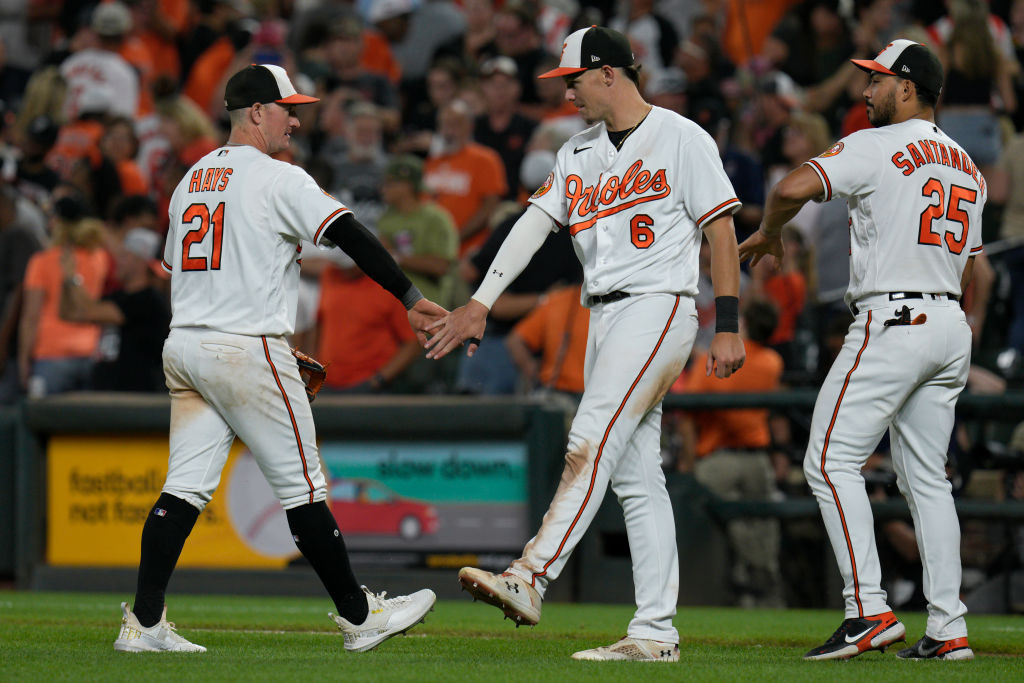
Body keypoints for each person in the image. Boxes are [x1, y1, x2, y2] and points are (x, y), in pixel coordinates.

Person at [426, 26, 746, 662]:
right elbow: (533, 224)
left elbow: (722, 232)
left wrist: (729, 324)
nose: (566, 91)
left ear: (607, 73)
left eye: (572, 79)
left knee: (588, 439)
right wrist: (481, 302)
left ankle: (531, 575)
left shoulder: (683, 137)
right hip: (604, 316)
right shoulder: (577, 151)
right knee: (636, 479)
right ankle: (656, 633)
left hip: (658, 306)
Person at [113, 64, 445, 654]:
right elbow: (350, 233)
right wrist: (410, 297)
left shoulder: (191, 178)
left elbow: (173, 267)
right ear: (257, 112)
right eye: (288, 108)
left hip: (186, 344)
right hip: (245, 347)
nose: (296, 118)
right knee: (304, 485)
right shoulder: (277, 176)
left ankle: (143, 623)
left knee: (184, 487)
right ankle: (359, 615)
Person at [739, 39, 983, 662]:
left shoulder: (875, 144)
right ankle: (948, 626)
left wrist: (768, 232)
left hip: (893, 315)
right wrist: (954, 325)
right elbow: (975, 270)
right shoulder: (966, 165)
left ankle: (866, 610)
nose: (865, 92)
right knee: (929, 480)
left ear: (906, 88)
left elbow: (794, 183)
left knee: (826, 459)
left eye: (875, 81)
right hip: (949, 321)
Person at [58, 227, 170, 392]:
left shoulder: (149, 300)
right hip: (106, 388)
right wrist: (66, 281)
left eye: (124, 256)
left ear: (139, 263)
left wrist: (72, 277)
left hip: (136, 392)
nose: (117, 261)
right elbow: (68, 313)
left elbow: (91, 310)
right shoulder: (117, 297)